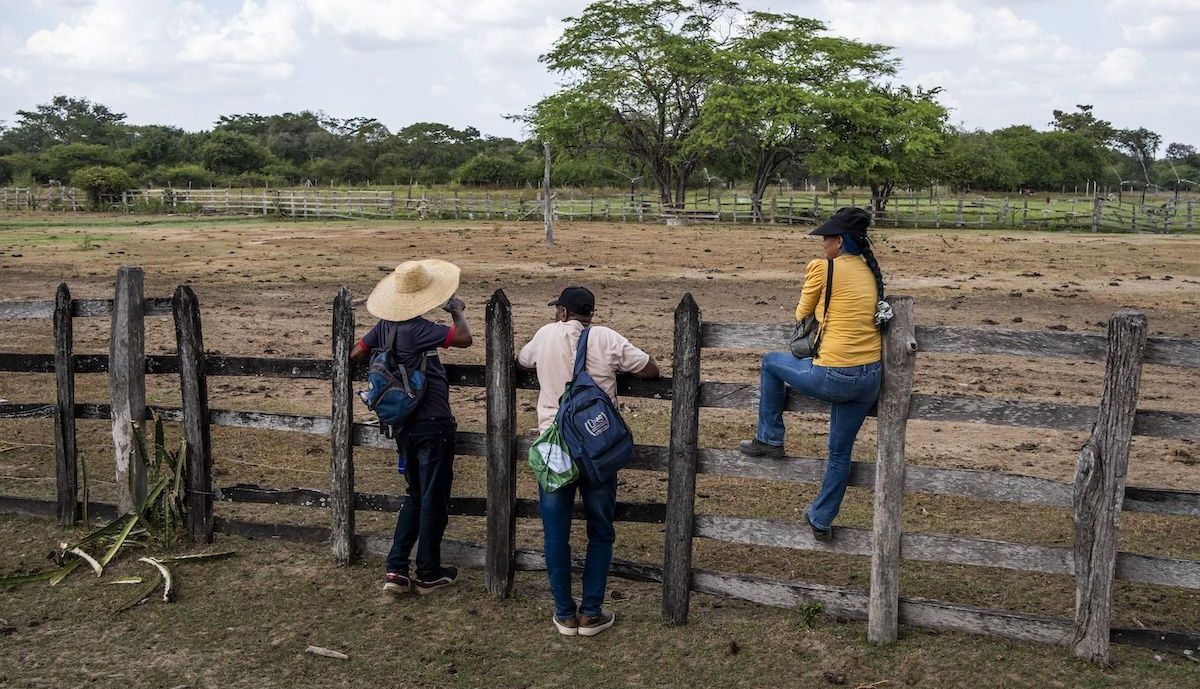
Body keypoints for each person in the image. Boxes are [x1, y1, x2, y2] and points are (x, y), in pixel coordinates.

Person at [738, 207, 888, 542]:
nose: (822, 244)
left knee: (771, 363)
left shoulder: (823, 269)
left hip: (835, 375)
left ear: (839, 241)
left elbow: (801, 312)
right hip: (869, 380)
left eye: (826, 239)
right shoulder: (870, 272)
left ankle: (770, 437)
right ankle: (821, 517)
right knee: (840, 452)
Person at [518, 286, 660, 637]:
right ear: (590, 313)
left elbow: (522, 359)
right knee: (600, 530)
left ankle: (564, 613)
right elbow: (649, 368)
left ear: (563, 313)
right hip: (597, 448)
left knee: (555, 534)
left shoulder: (545, 335)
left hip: (555, 449)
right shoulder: (606, 338)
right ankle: (591, 611)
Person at [350, 259, 473, 595]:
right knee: (433, 498)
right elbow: (464, 339)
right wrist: (457, 311)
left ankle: (396, 569)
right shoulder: (419, 329)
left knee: (415, 495)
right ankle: (429, 572)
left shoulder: (383, 328)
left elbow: (357, 352)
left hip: (403, 422)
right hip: (433, 421)